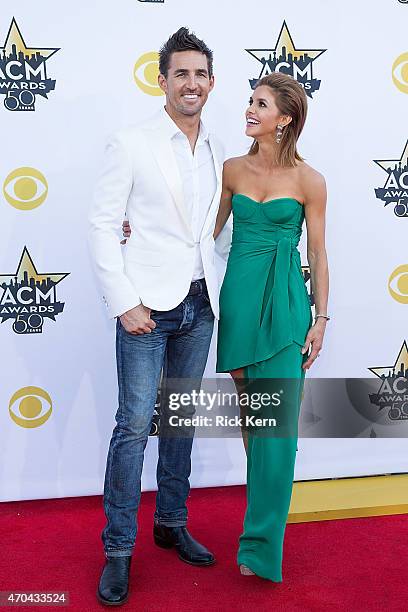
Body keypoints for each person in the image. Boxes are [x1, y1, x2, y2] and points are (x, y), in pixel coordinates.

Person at [88, 27, 231, 607]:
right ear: (162, 79)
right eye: (180, 74)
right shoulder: (131, 141)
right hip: (145, 309)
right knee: (132, 427)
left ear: (211, 82)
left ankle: (171, 522)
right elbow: (102, 223)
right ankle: (118, 550)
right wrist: (125, 301)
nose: (190, 83)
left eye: (200, 74)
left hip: (200, 305)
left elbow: (212, 232)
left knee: (180, 422)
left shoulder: (219, 146)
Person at [213, 72, 329, 581]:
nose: (249, 110)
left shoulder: (309, 180)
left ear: (283, 119)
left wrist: (321, 317)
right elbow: (205, 234)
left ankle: (260, 546)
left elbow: (319, 254)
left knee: (276, 431)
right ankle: (260, 519)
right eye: (250, 102)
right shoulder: (231, 169)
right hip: (238, 302)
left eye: (260, 104)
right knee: (253, 424)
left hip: (285, 306)